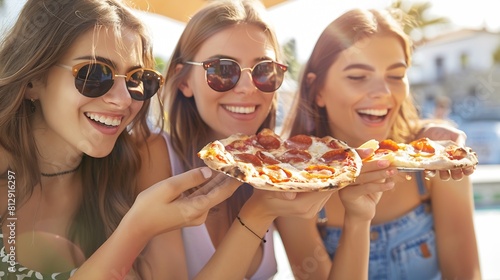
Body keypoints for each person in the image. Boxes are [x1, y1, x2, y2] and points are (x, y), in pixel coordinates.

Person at [0, 0, 296, 279]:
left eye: (136, 80)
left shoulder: (118, 175)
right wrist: (139, 227)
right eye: (94, 74)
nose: (122, 99)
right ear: (32, 80)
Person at [161, 1, 398, 279]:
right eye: (223, 70)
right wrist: (258, 212)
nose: (248, 88)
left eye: (263, 70)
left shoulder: (282, 172)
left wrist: (359, 217)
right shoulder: (155, 155)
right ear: (183, 80)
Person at [282, 8, 481, 280]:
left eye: (396, 75)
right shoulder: (291, 186)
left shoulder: (437, 161)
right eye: (357, 76)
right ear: (318, 91)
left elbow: (465, 275)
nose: (383, 93)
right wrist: (358, 220)